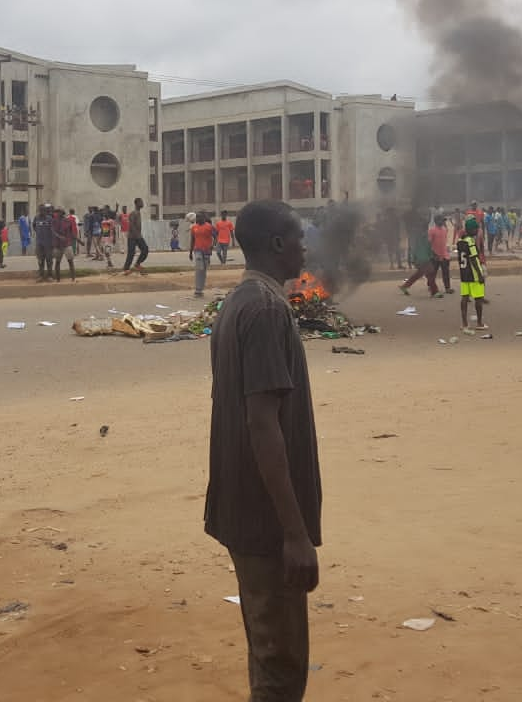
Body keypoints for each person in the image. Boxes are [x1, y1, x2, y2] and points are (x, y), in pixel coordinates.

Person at [204, 200, 320, 701]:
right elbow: (262, 424)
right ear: (277, 244)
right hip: (266, 521)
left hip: (242, 509)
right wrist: (294, 535)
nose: (305, 245)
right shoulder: (268, 309)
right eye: (298, 236)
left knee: (268, 648)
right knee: (282, 669)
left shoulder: (238, 301)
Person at [457, 216, 488, 331]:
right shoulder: (471, 242)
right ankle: (479, 323)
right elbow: (474, 259)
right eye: (476, 229)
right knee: (478, 299)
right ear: (471, 230)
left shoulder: (460, 241)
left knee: (464, 298)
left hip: (464, 274)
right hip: (474, 275)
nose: (477, 231)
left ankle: (464, 323)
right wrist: (480, 275)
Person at [121, 197, 149, 274]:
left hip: (138, 236)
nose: (142, 203)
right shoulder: (133, 213)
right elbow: (131, 225)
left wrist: (139, 235)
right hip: (132, 237)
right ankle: (126, 268)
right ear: (137, 203)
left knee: (145, 249)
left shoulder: (138, 213)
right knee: (131, 252)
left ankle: (137, 264)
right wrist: (137, 235)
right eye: (141, 202)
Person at [191, 211, 216, 297]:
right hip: (197, 250)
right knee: (199, 269)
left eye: (199, 217)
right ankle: (197, 290)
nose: (197, 219)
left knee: (203, 270)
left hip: (206, 251)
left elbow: (216, 236)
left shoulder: (209, 227)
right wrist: (190, 252)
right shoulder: (194, 227)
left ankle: (200, 290)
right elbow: (192, 240)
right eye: (197, 217)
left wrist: (213, 245)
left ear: (204, 218)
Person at [51, 207, 77, 282]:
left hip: (67, 244)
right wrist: (60, 237)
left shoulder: (68, 221)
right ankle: (58, 279)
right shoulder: (54, 221)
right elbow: (53, 231)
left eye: (59, 212)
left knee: (70, 261)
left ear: (62, 213)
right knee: (57, 262)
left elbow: (72, 233)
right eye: (57, 212)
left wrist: (78, 240)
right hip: (58, 244)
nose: (57, 213)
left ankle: (73, 278)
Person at [429, 214, 452, 294]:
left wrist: (447, 253)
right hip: (435, 256)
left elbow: (444, 242)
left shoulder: (444, 229)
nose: (443, 222)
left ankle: (447, 288)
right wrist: (433, 254)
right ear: (436, 221)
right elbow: (429, 244)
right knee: (433, 273)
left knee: (446, 272)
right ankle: (431, 286)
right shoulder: (432, 231)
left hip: (444, 255)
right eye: (442, 220)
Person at [33, 205, 54, 281]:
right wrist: (39, 234)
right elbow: (34, 226)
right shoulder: (36, 218)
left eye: (43, 210)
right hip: (39, 243)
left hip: (48, 243)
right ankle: (41, 276)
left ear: (45, 211)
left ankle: (50, 276)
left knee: (49, 260)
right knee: (40, 260)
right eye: (40, 210)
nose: (41, 212)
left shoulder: (50, 219)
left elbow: (53, 230)